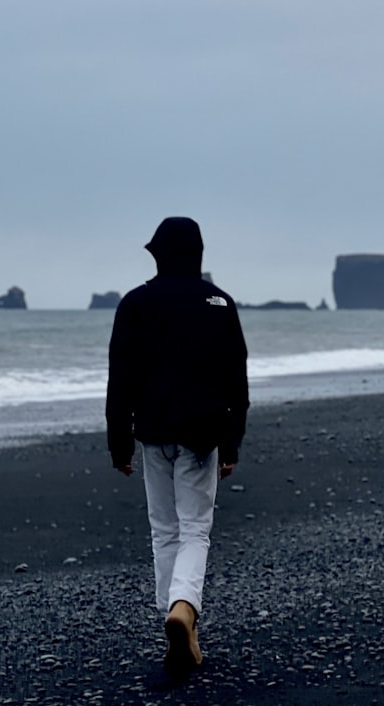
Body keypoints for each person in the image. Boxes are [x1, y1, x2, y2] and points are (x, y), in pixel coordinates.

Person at [106, 216, 249, 680]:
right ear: (199, 254)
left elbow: (120, 379)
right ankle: (184, 611)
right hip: (203, 435)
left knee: (164, 529)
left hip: (151, 431)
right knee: (195, 531)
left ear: (158, 255)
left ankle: (177, 616)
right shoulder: (219, 303)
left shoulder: (135, 303)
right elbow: (235, 382)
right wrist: (233, 441)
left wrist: (118, 440)